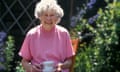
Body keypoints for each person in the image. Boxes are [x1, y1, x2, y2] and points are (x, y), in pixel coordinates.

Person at [18, 0, 75, 72]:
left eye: (52, 15)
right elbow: (24, 62)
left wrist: (61, 66)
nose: (48, 18)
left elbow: (69, 61)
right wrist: (31, 68)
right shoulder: (32, 34)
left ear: (57, 17)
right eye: (45, 15)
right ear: (40, 16)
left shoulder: (64, 33)